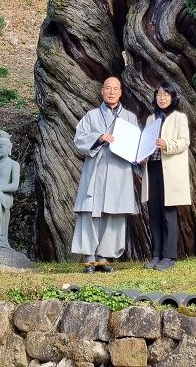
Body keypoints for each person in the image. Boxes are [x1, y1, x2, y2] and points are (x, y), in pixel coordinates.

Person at [72, 76, 139, 272]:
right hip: (96, 170)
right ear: (102, 91)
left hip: (120, 171)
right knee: (90, 213)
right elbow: (79, 139)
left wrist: (139, 155)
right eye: (107, 88)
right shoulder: (91, 116)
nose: (111, 92)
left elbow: (136, 144)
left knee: (114, 214)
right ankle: (89, 258)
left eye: (115, 89)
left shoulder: (130, 118)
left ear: (120, 92)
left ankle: (103, 258)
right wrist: (99, 137)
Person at [141, 81, 191, 270]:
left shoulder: (179, 118)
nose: (162, 98)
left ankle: (169, 256)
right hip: (152, 167)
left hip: (169, 169)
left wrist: (167, 144)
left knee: (168, 212)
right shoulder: (150, 118)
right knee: (154, 212)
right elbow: (145, 142)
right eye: (159, 95)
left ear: (172, 97)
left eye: (166, 95)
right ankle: (156, 254)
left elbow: (184, 142)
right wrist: (142, 155)